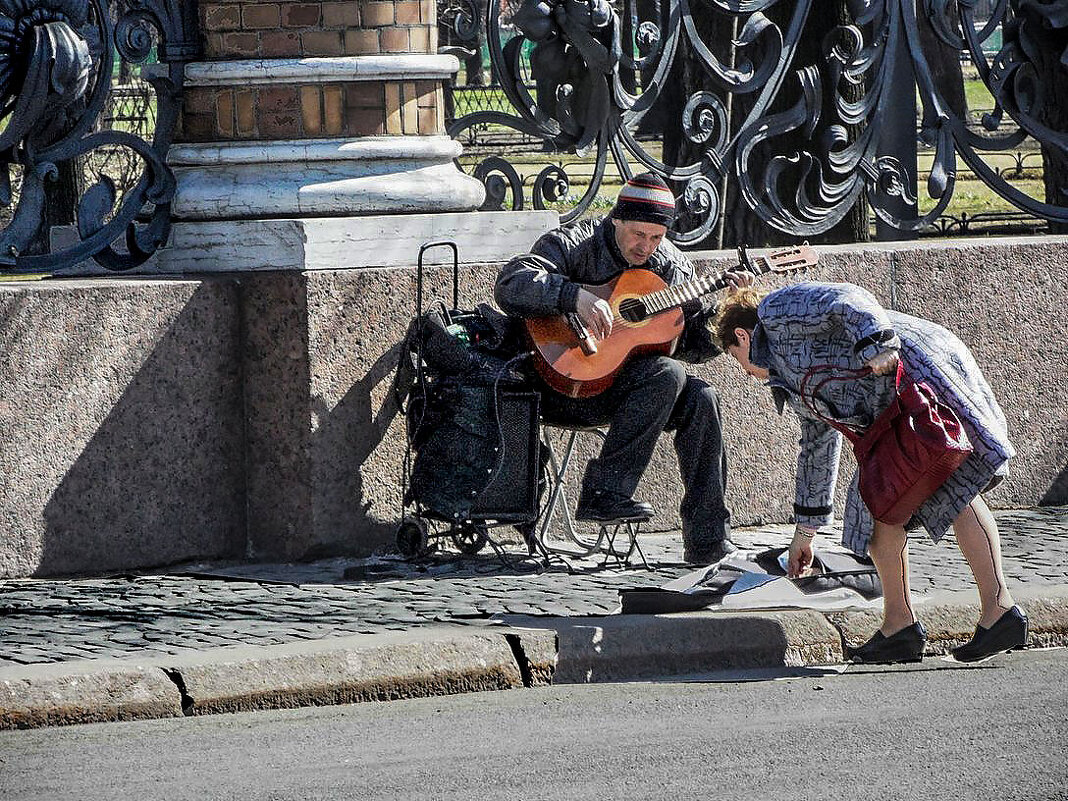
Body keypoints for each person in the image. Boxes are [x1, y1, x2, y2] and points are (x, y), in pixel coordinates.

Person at [713, 280, 1028, 663]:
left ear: (742, 337)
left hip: (917, 371)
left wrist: (877, 346)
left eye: (735, 358)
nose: (746, 374)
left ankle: (991, 610)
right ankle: (903, 624)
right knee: (882, 501)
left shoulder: (777, 309)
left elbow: (849, 298)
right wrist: (805, 535)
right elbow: (817, 447)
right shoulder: (788, 383)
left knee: (952, 485)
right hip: (890, 408)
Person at [495, 173, 744, 565]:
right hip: (559, 385)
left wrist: (726, 315)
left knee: (702, 397)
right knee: (668, 374)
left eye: (656, 237)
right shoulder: (574, 243)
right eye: (637, 234)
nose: (646, 246)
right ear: (616, 220)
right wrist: (573, 296)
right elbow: (512, 283)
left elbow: (692, 345)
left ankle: (709, 540)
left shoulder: (672, 268)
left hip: (631, 394)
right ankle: (603, 491)